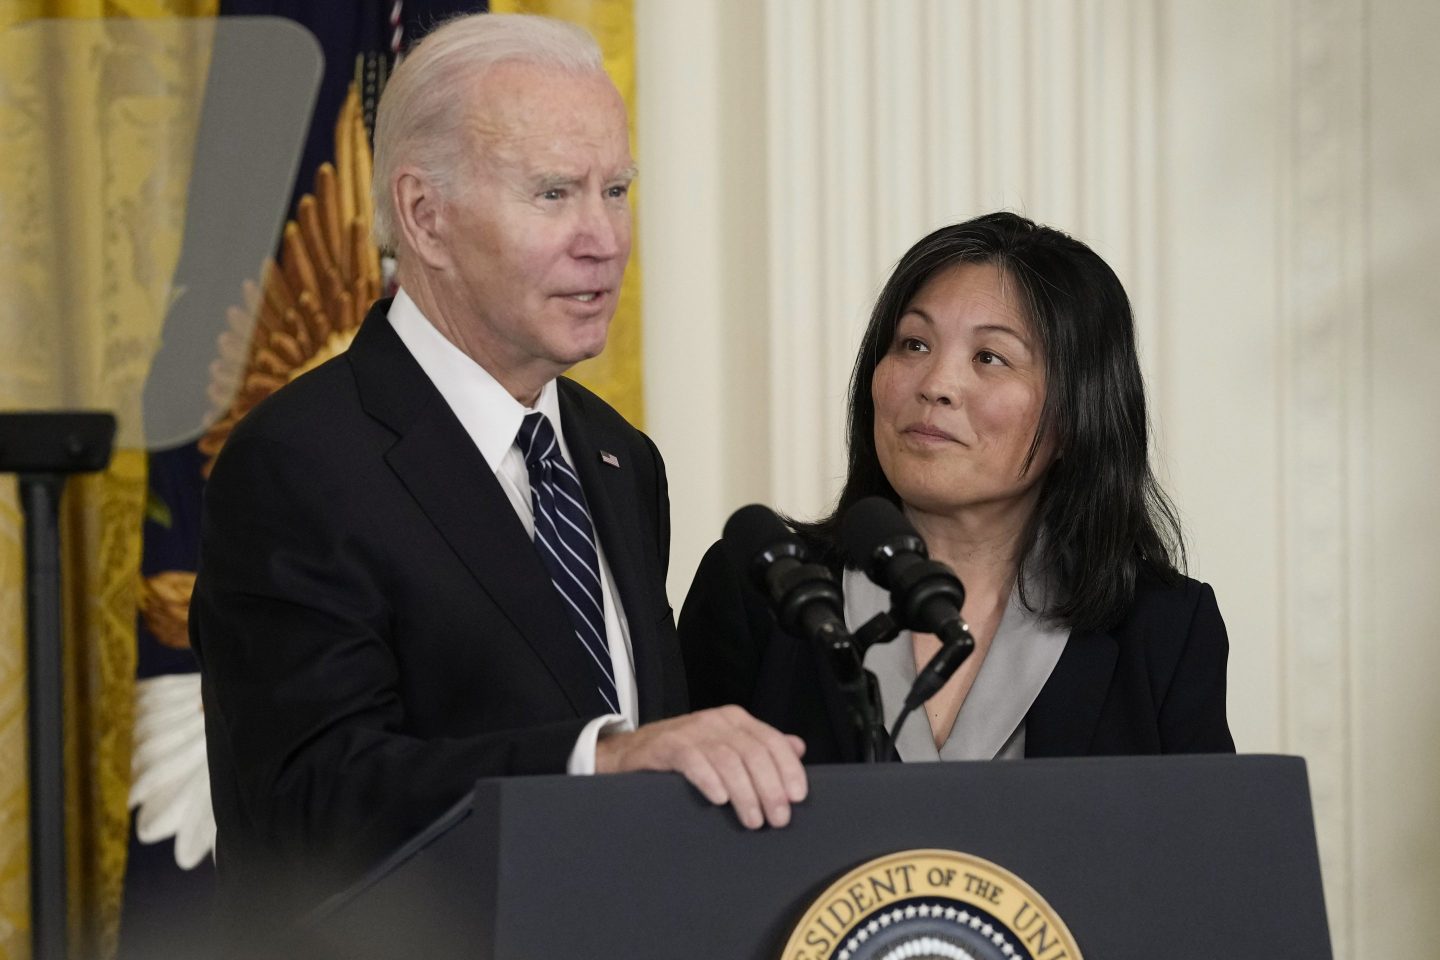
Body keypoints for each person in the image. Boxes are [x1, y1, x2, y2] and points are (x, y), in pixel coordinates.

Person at [189, 12, 806, 918]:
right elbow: (305, 806)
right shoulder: (301, 462)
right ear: (425, 216)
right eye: (554, 194)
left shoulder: (619, 458)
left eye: (617, 190)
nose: (603, 237)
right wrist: (597, 760)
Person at [679, 212, 1235, 763]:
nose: (936, 385)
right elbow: (667, 836)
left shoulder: (1163, 630)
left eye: (990, 357)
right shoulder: (761, 591)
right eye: (914, 344)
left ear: (1076, 415)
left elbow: (1202, 847)